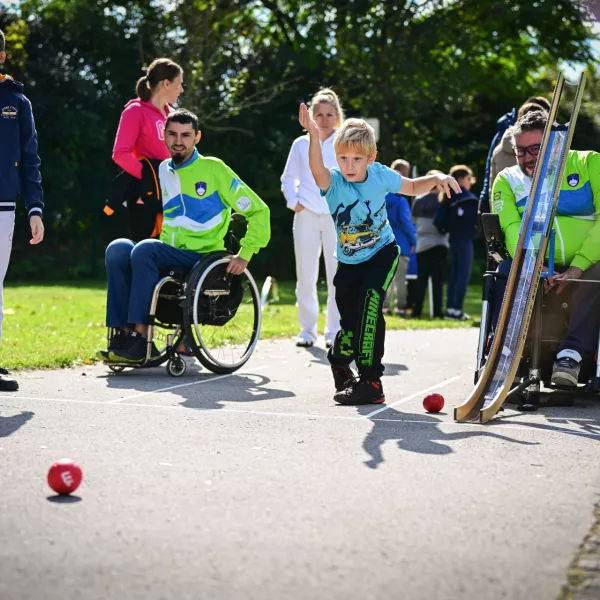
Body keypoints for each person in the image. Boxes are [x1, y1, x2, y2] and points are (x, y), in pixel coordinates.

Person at [298, 104, 459, 404]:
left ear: (370, 158)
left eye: (357, 159)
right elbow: (316, 169)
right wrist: (313, 135)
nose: (349, 165)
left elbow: (412, 186)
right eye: (343, 158)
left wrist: (436, 177)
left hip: (382, 252)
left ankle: (371, 382)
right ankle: (339, 361)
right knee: (349, 326)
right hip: (348, 261)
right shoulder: (333, 183)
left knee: (371, 308)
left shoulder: (380, 175)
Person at [97, 109, 270, 363]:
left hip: (201, 255)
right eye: (173, 134)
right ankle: (121, 335)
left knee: (145, 249)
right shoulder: (163, 170)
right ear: (164, 136)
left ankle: (140, 338)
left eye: (186, 135)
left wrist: (245, 254)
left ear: (197, 137)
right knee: (118, 248)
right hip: (170, 251)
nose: (179, 141)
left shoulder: (214, 169)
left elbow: (259, 211)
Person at [491, 109, 600, 387]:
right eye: (521, 151)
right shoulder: (506, 180)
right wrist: (535, 266)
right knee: (505, 269)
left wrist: (577, 267)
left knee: (597, 273)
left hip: (587, 263)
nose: (528, 158)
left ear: (556, 145)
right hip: (533, 262)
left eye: (536, 149)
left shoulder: (589, 163)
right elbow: (512, 228)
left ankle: (571, 356)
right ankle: (507, 353)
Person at [281, 88, 343, 348]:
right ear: (310, 117)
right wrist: (294, 202)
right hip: (306, 213)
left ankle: (335, 332)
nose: (324, 119)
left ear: (337, 116)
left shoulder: (343, 141)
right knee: (305, 275)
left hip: (336, 216)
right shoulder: (300, 144)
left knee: (337, 277)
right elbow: (288, 178)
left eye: (329, 114)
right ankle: (307, 330)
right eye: (319, 114)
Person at [0, 29, 44, 391]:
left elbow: (30, 159)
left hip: (3, 206)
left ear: (1, 57)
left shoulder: (17, 101)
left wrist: (35, 209)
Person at [110, 58, 184, 241]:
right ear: (166, 84)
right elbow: (120, 154)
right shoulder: (135, 111)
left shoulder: (175, 116)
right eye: (179, 85)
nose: (181, 90)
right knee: (147, 251)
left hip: (176, 196)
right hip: (146, 198)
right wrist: (148, 177)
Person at [479, 96, 551, 215]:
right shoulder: (549, 150)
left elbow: (491, 183)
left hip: (503, 214)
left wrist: (486, 201)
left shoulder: (498, 148)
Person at [434, 164, 478, 320]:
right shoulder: (469, 198)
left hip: (453, 240)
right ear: (460, 179)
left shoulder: (448, 197)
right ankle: (457, 310)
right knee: (463, 275)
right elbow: (476, 222)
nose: (470, 182)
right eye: (468, 179)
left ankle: (450, 309)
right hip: (465, 240)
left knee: (454, 275)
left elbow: (438, 222)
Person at [411, 171, 449, 319]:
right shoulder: (444, 199)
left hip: (422, 243)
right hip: (440, 242)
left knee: (421, 279)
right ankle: (438, 311)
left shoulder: (419, 200)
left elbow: (413, 220)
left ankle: (417, 311)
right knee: (437, 280)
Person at [383, 159, 416, 315]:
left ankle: (383, 306)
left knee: (384, 278)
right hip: (400, 242)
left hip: (382, 242)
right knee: (400, 278)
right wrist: (413, 240)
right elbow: (406, 222)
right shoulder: (401, 201)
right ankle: (401, 307)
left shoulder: (379, 198)